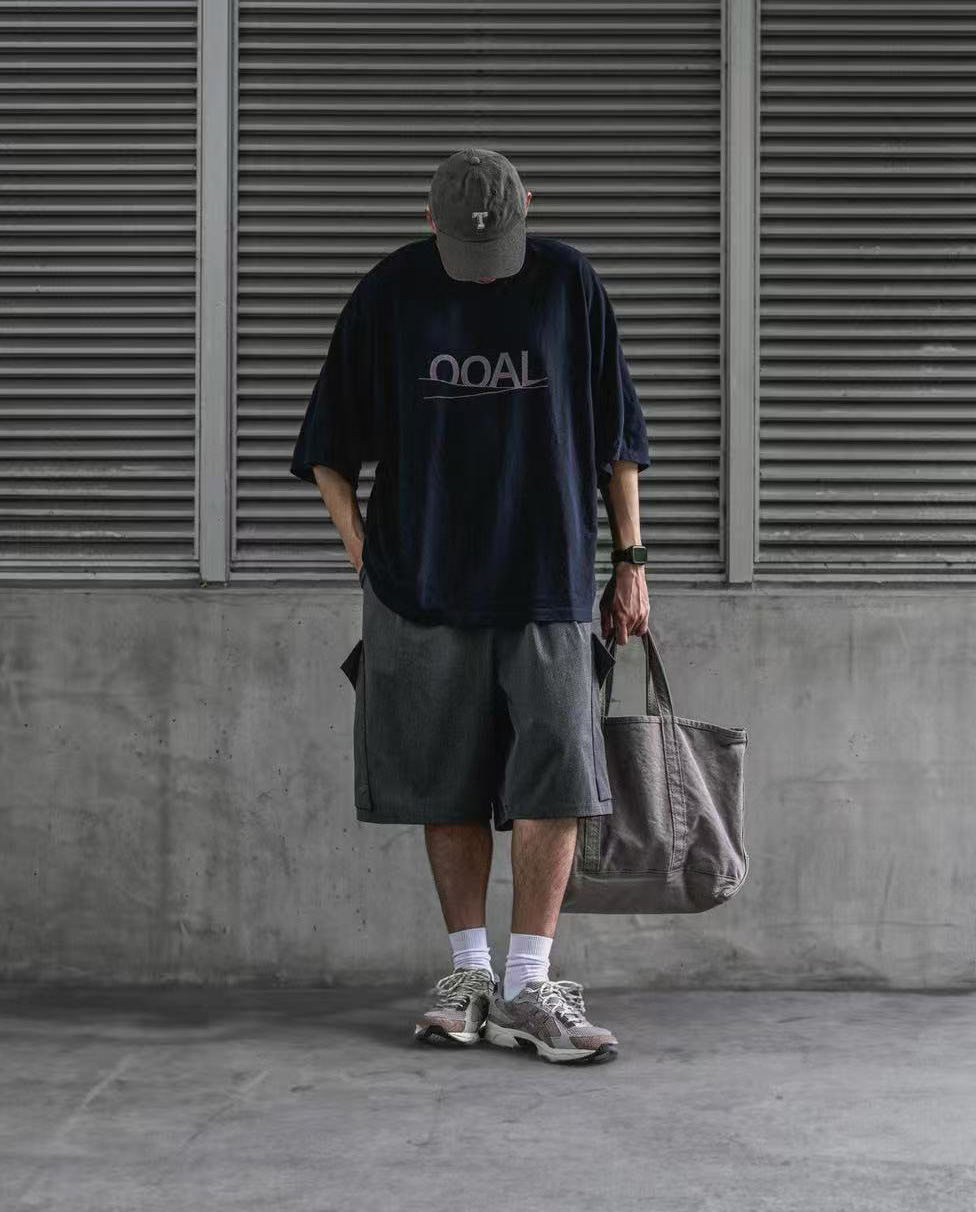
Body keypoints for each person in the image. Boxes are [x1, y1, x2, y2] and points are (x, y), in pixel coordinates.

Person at [290, 148, 650, 1065]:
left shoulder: (569, 284)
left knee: (556, 779)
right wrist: (361, 546)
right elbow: (327, 441)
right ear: (429, 221)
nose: (484, 271)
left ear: (529, 203)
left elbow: (617, 437)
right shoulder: (390, 292)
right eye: (465, 252)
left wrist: (631, 559)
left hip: (548, 577)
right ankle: (470, 979)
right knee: (444, 781)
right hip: (422, 586)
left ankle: (529, 986)